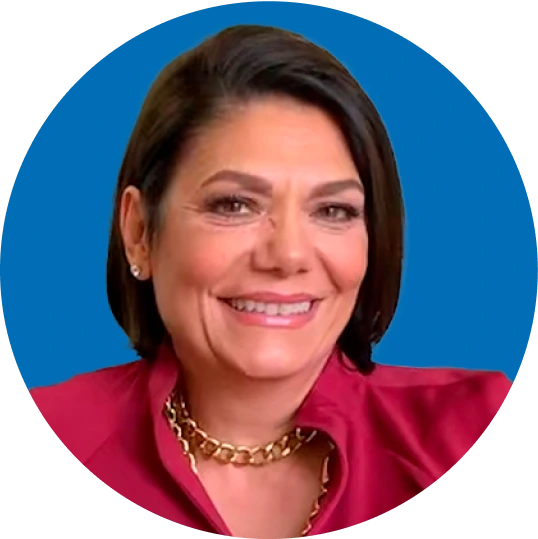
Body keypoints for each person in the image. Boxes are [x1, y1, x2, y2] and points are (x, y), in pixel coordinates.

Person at [29, 24, 513, 539]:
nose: (288, 256)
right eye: (234, 205)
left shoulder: (470, 427)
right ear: (139, 233)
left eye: (333, 210)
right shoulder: (60, 427)